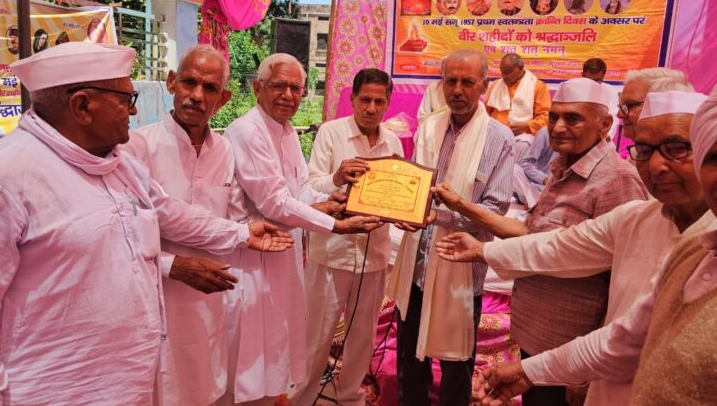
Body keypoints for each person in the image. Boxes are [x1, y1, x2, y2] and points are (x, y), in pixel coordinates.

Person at [0, 42, 293, 405]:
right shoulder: (10, 174)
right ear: (82, 106)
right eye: (126, 99)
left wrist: (241, 233)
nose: (134, 109)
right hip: (52, 387)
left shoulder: (116, 163)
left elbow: (167, 212)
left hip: (121, 377)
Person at [435, 90, 712, 406]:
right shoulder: (634, 218)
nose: (658, 166)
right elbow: (559, 246)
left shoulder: (620, 181)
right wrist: (482, 249)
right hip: (588, 366)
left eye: (677, 149)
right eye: (645, 151)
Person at [221, 53, 382, 406]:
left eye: (296, 88)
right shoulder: (247, 131)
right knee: (249, 349)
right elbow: (274, 203)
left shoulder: (287, 130)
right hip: (253, 256)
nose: (288, 95)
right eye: (279, 86)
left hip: (286, 251)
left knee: (277, 340)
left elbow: (301, 190)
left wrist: (332, 200)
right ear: (258, 88)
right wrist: (335, 224)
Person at [387, 48, 514, 406]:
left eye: (467, 82)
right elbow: (415, 187)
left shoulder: (499, 138)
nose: (457, 90)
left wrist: (439, 217)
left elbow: (494, 209)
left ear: (484, 86)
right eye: (451, 81)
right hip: (417, 268)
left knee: (456, 369)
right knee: (410, 366)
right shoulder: (429, 127)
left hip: (461, 272)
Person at [122, 44, 246, 405]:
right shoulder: (137, 146)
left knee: (204, 386)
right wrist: (172, 266)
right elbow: (124, 235)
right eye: (189, 82)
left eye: (210, 88)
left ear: (223, 99)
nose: (197, 95)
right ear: (171, 82)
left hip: (209, 298)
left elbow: (231, 218)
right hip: (155, 296)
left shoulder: (224, 150)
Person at [289, 68, 404, 406]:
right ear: (352, 99)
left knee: (363, 336)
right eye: (365, 99)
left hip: (374, 254)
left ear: (387, 103)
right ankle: (302, 398)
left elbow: (399, 194)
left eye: (379, 101)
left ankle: (351, 397)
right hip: (332, 251)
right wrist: (337, 177)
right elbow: (310, 186)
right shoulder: (331, 132)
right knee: (317, 334)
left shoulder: (393, 142)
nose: (371, 108)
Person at [484, 53, 551, 160]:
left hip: (521, 136)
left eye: (507, 72)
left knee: (523, 145)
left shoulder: (538, 87)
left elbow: (546, 117)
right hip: (494, 133)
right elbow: (485, 111)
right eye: (502, 72)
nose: (503, 76)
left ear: (520, 68)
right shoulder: (496, 85)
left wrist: (527, 126)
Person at [617, 68, 694, 141]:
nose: (619, 114)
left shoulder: (696, 150)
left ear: (666, 107)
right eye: (622, 106)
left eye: (631, 105)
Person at [582, 58, 619, 140]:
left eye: (597, 81)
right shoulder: (572, 89)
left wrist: (607, 135)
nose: (592, 84)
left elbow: (613, 116)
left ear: (603, 76)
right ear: (582, 75)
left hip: (601, 136)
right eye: (589, 80)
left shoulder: (610, 91)